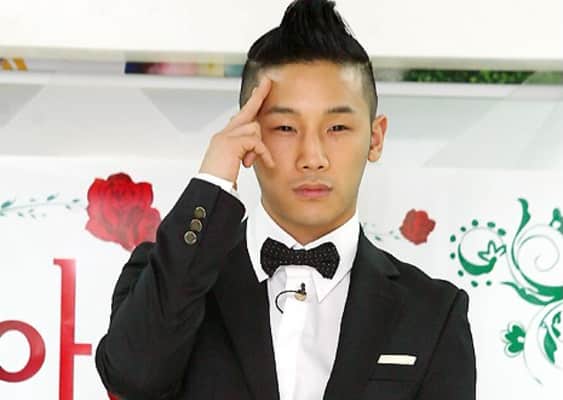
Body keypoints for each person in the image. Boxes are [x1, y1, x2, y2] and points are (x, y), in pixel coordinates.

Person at [95, 1, 476, 399]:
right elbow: (132, 378)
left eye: (337, 127)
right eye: (285, 127)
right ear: (247, 132)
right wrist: (213, 181)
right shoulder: (170, 279)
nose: (312, 157)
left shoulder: (434, 311)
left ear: (375, 138)